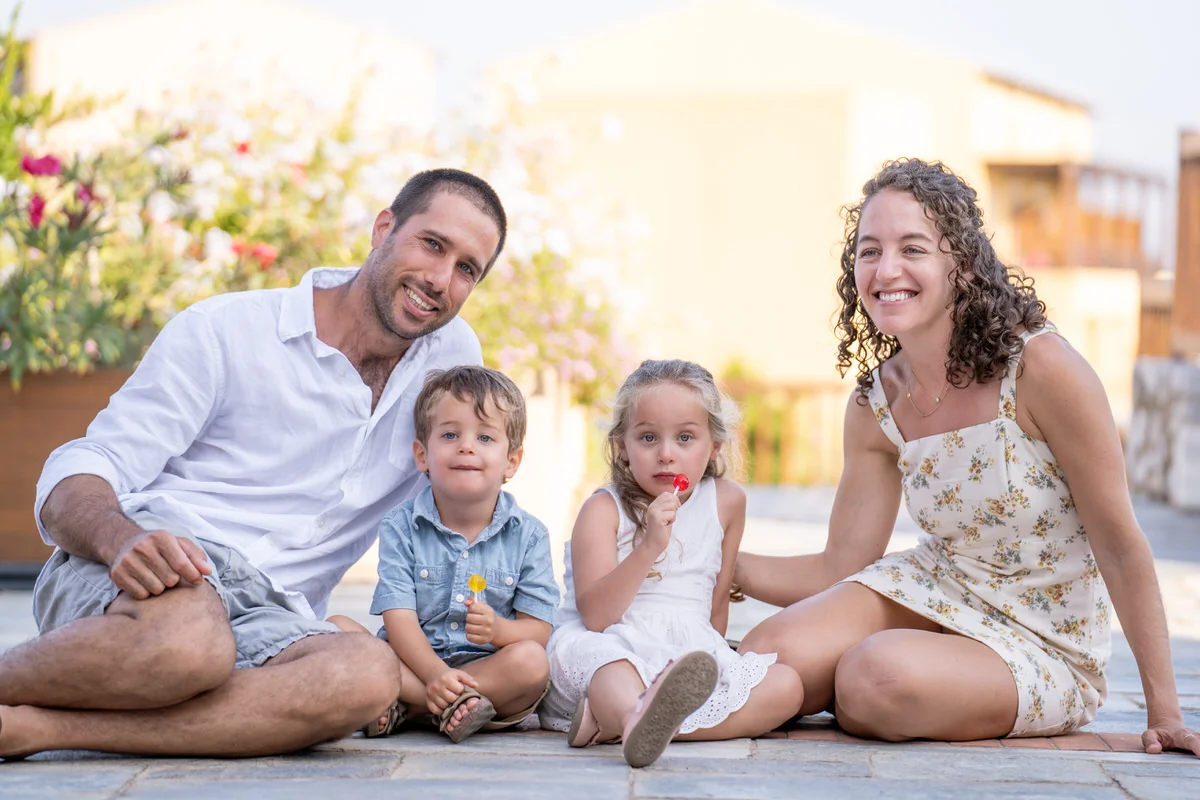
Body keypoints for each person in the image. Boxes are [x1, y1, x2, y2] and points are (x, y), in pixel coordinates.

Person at [0, 168, 508, 760]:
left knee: (367, 674)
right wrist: (120, 541)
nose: (441, 280)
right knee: (190, 646)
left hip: (277, 614)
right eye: (433, 244)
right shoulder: (227, 329)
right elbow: (90, 463)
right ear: (383, 229)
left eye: (467, 269)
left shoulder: (451, 360)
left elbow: (460, 512)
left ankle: (41, 730)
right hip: (165, 564)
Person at [736, 158, 1200, 756]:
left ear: (963, 263)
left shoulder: (1040, 370)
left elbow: (1118, 542)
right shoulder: (875, 404)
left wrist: (1165, 710)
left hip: (1040, 638)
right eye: (870, 251)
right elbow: (841, 565)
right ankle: (674, 701)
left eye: (912, 249)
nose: (886, 269)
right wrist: (727, 565)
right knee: (764, 654)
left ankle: (853, 691)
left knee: (872, 677)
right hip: (934, 591)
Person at [539, 359, 803, 768]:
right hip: (610, 642)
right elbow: (596, 618)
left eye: (685, 438)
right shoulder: (604, 509)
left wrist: (715, 657)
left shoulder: (727, 501)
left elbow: (715, 606)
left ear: (714, 446)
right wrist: (648, 546)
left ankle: (620, 723)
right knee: (612, 668)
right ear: (622, 447)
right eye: (648, 438)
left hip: (686, 647)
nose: (666, 454)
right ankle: (631, 716)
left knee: (787, 687)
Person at [330, 365, 559, 744]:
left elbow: (538, 629)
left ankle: (406, 706)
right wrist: (434, 674)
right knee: (336, 630)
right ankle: (447, 704)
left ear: (512, 461)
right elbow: (399, 617)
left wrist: (499, 631)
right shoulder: (401, 525)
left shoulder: (529, 535)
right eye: (450, 435)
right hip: (410, 662)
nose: (466, 446)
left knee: (532, 662)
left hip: (487, 670)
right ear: (422, 455)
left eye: (485, 437)